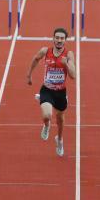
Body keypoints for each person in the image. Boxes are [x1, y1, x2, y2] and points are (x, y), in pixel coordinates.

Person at [26, 28, 76, 157]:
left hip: (60, 93)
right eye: (57, 38)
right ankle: (47, 126)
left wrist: (66, 64)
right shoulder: (45, 51)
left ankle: (59, 139)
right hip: (47, 90)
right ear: (53, 39)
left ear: (65, 40)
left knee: (60, 121)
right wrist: (29, 75)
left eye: (62, 38)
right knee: (47, 115)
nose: (59, 40)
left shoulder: (69, 54)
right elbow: (36, 59)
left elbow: (73, 76)